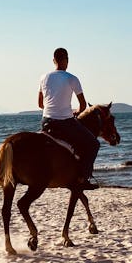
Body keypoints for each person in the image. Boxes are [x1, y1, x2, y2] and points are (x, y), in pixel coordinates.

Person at [38, 47, 100, 189]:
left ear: (54, 60)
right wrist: (75, 112)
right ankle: (83, 178)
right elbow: (83, 105)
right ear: (67, 60)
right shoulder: (72, 79)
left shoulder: (43, 77)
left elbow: (40, 104)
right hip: (65, 122)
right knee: (93, 144)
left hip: (46, 122)